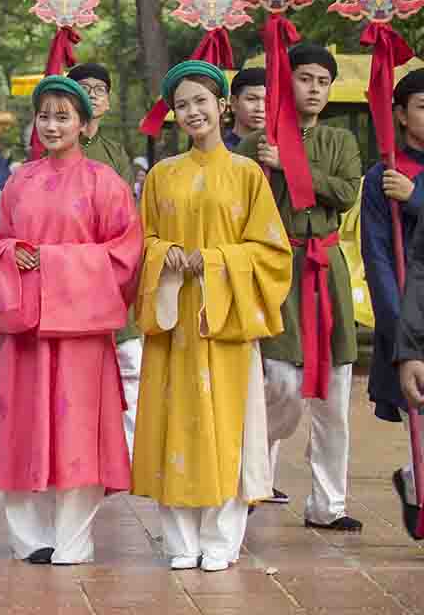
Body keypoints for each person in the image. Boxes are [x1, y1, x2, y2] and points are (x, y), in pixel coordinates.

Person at [134, 61, 290, 570]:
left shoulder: (247, 174)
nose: (192, 112)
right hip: (174, 318)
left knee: (228, 426)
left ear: (222, 106)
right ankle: (180, 541)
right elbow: (143, 241)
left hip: (225, 319)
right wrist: (165, 254)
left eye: (201, 101)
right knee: (173, 424)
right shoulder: (161, 176)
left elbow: (271, 251)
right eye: (181, 105)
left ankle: (221, 541)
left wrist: (217, 260)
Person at [0, 75, 142, 565]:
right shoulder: (19, 180)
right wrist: (11, 254)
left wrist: (50, 262)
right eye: (44, 116)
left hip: (81, 334)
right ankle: (29, 538)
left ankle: (74, 539)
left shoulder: (105, 183)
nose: (52, 126)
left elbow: (126, 255)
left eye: (63, 117)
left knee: (78, 432)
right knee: (23, 427)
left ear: (84, 124)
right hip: (28, 329)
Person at [238, 44, 364, 529]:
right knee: (279, 383)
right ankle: (252, 470)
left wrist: (289, 164)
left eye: (322, 81)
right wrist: (266, 165)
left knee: (334, 394)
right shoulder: (254, 146)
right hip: (275, 268)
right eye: (304, 78)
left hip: (325, 267)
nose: (314, 89)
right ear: (284, 83)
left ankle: (328, 506)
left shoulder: (340, 140)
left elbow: (345, 192)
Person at [68, 62, 144, 454]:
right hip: (70, 276)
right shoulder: (56, 146)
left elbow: (127, 214)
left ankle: (126, 456)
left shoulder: (116, 153)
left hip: (112, 273)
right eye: (84, 87)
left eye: (100, 89)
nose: (93, 94)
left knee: (131, 361)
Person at [361, 70, 424, 530]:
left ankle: (414, 482)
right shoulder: (383, 176)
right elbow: (379, 257)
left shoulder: (409, 184)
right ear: (399, 115)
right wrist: (401, 336)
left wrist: (417, 198)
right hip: (412, 315)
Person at [224, 67, 266, 150]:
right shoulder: (219, 149)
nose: (260, 108)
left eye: (268, 101)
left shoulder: (282, 149)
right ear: (233, 102)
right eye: (251, 99)